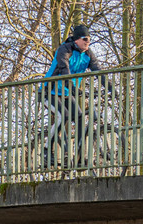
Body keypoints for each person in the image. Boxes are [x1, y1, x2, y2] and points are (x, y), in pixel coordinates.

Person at [42, 25, 100, 164]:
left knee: (80, 117)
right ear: (77, 39)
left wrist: (109, 86)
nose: (88, 42)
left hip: (67, 93)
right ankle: (46, 149)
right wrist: (71, 85)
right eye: (85, 39)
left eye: (90, 40)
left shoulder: (87, 54)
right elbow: (64, 68)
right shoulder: (65, 49)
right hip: (50, 91)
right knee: (64, 116)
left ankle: (79, 158)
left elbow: (98, 70)